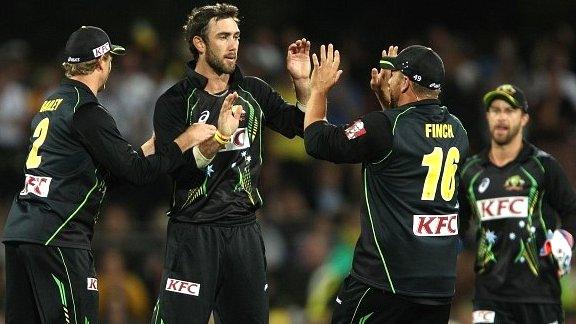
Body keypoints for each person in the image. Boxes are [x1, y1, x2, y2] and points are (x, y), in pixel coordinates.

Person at [1, 25, 233, 324]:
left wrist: (143, 152)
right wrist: (186, 139)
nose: (111, 65)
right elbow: (137, 174)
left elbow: (97, 170)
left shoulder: (49, 105)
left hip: (21, 232)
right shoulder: (87, 111)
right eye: (110, 59)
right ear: (101, 62)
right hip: (59, 235)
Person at [151, 3, 311, 323]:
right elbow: (174, 169)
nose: (233, 44)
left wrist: (303, 84)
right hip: (194, 234)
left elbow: (303, 126)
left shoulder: (254, 91)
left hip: (245, 234)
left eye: (236, 36)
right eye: (223, 36)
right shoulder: (174, 102)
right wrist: (218, 139)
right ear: (200, 43)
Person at [304, 44, 469, 323]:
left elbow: (317, 142)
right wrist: (389, 107)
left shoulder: (385, 126)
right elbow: (405, 150)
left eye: (392, 75)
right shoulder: (458, 130)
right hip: (438, 284)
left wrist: (318, 89)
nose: (385, 79)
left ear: (405, 82)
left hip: (386, 279)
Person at [459, 84, 576, 324]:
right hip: (489, 297)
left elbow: (572, 211)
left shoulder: (544, 166)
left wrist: (566, 237)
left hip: (540, 295)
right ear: (487, 117)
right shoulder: (470, 172)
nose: (502, 117)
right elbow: (459, 225)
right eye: (495, 110)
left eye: (510, 111)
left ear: (524, 119)